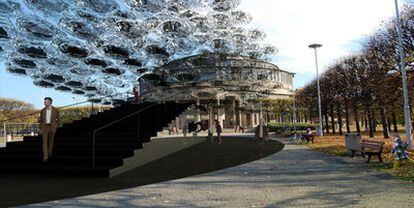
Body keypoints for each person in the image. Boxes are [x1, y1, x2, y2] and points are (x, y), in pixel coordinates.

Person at [38, 97, 60, 162]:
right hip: (45, 127)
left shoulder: (56, 110)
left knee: (51, 142)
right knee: (44, 142)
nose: (44, 103)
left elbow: (58, 119)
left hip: (52, 127)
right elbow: (41, 120)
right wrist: (40, 128)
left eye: (45, 101)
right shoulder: (42, 110)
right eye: (44, 101)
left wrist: (55, 126)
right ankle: (45, 156)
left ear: (50, 102)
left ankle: (50, 152)